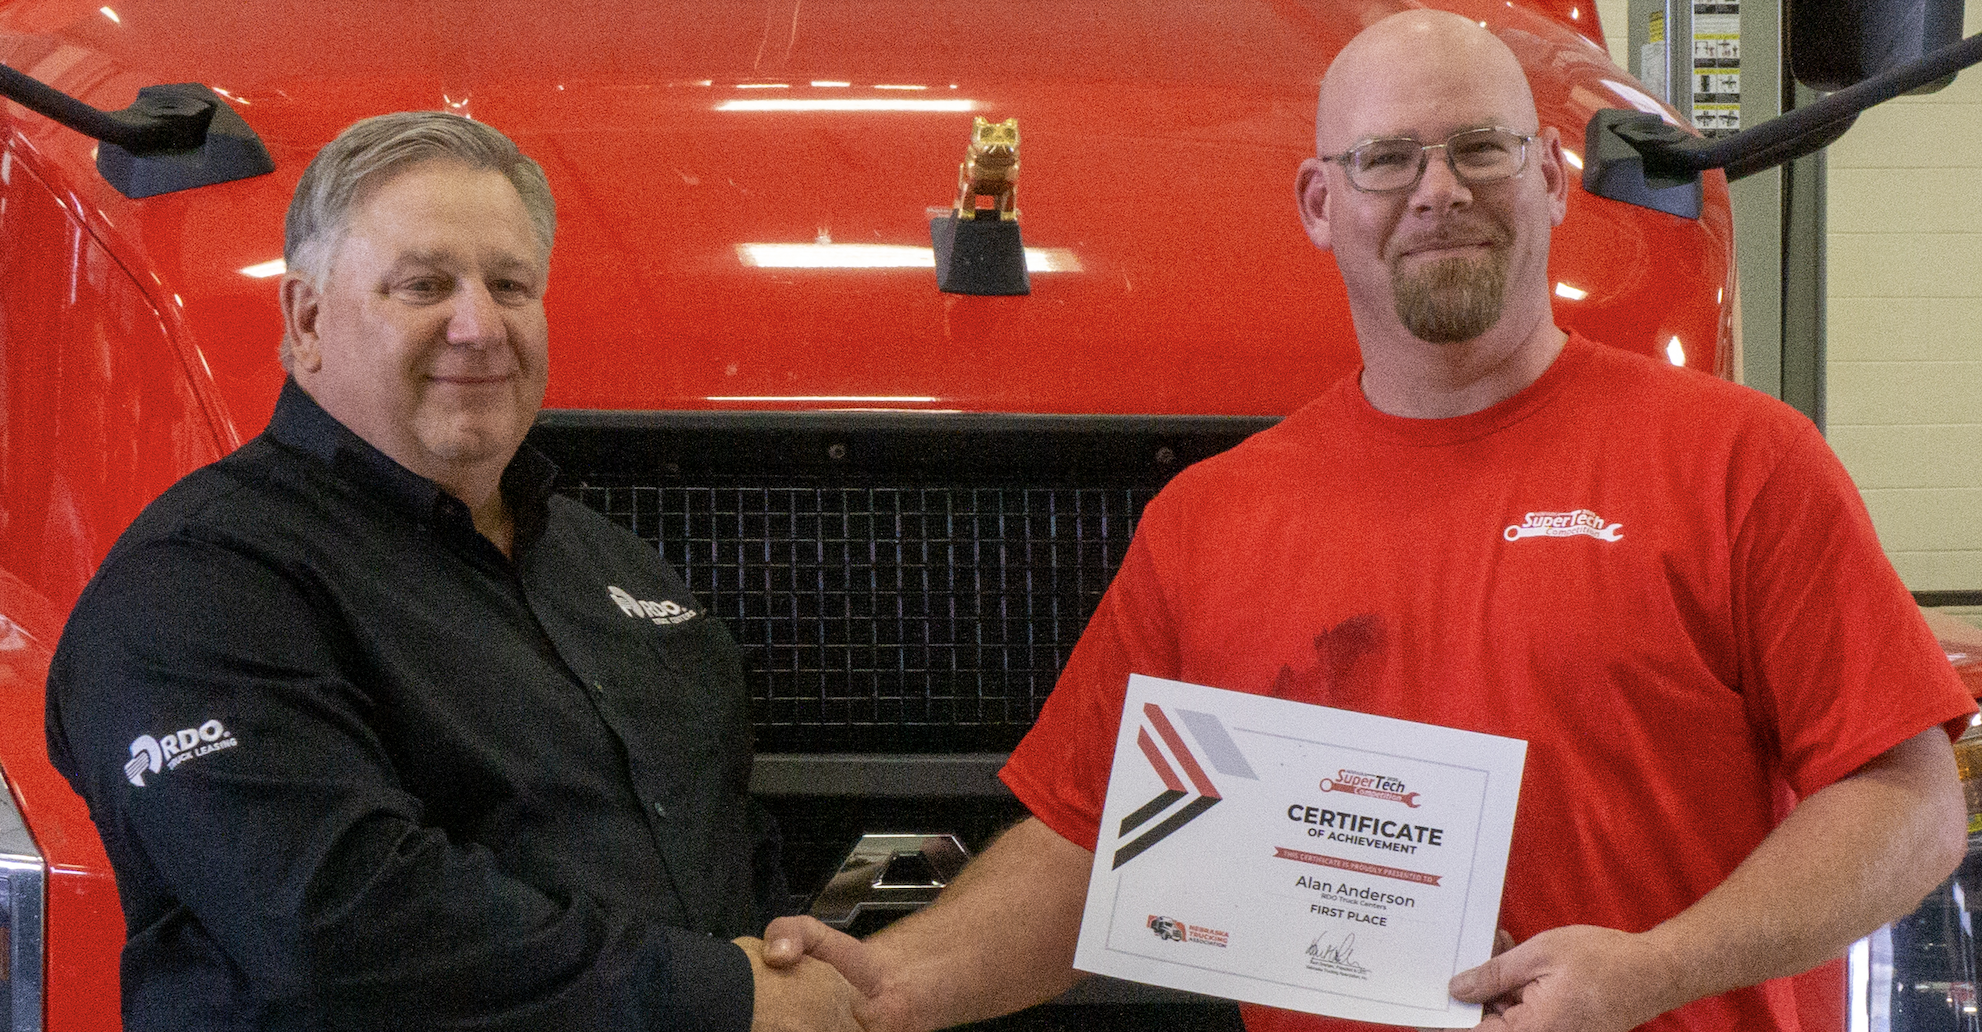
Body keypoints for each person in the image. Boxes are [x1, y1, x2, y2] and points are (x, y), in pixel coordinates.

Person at [761, 11, 1975, 1032]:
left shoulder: (1738, 461)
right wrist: (895, 986)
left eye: (1481, 149)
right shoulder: (1210, 520)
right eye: (1387, 158)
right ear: (1318, 200)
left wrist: (1654, 969)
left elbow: (1907, 805)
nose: (1438, 192)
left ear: (1550, 181)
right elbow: (1096, 845)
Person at [44, 111, 857, 1032]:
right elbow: (336, 922)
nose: (480, 327)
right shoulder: (196, 586)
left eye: (510, 286)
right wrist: (718, 995)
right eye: (424, 285)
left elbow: (724, 848)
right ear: (307, 320)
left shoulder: (613, 566)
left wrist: (785, 960)